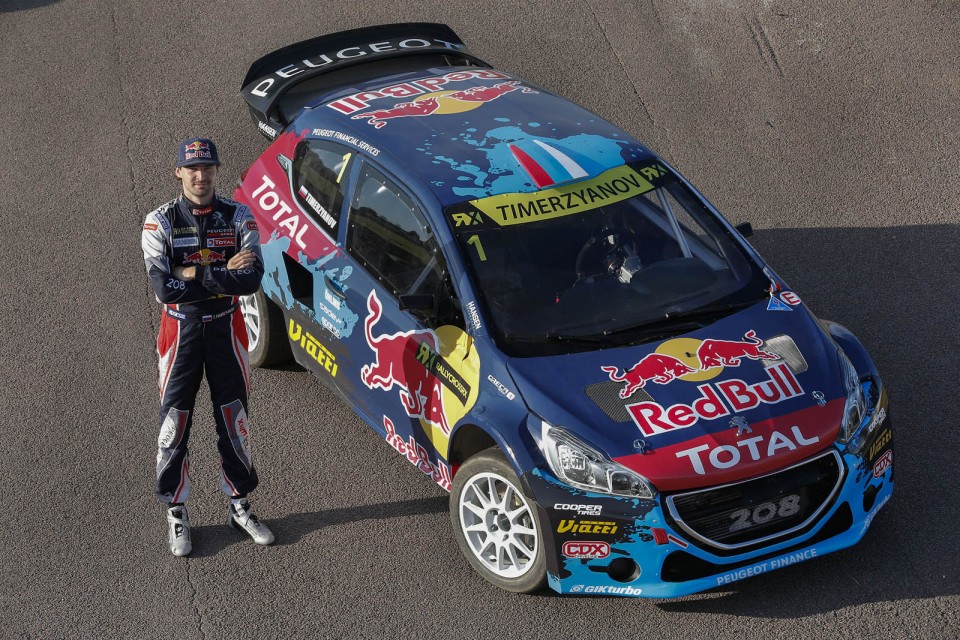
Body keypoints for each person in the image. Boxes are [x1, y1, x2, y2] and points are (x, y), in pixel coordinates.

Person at [141, 137, 274, 556]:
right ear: (177, 172)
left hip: (226, 328)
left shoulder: (239, 217)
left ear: (216, 171)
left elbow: (251, 280)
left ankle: (239, 506)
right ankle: (176, 511)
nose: (201, 176)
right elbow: (164, 289)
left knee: (234, 419)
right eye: (192, 169)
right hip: (179, 332)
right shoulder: (157, 222)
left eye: (208, 168)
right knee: (173, 423)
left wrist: (191, 272)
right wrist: (218, 271)